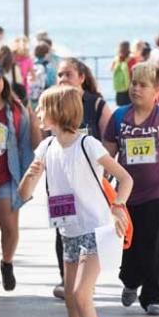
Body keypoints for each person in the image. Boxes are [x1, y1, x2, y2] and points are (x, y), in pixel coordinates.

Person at [19, 85, 133, 317]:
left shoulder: (89, 144)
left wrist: (118, 205)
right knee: (72, 299)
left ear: (57, 112)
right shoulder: (45, 148)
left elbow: (125, 178)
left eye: (42, 108)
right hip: (67, 230)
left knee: (82, 296)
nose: (38, 113)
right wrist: (30, 175)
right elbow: (24, 195)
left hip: (96, 230)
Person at [103, 62, 159, 314]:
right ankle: (130, 281)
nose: (136, 89)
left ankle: (154, 297)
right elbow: (106, 157)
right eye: (134, 83)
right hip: (126, 196)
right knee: (132, 247)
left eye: (143, 85)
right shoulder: (119, 117)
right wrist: (100, 190)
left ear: (156, 90)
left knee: (156, 247)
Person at [0, 60, 41, 298]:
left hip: (9, 174)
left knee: (9, 226)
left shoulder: (15, 108)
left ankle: (7, 262)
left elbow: (30, 142)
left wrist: (34, 120)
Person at [51, 58, 112, 300]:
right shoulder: (53, 102)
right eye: (59, 75)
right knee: (62, 230)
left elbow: (109, 138)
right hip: (61, 186)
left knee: (88, 229)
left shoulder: (95, 104)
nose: (63, 79)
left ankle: (86, 281)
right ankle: (67, 279)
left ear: (81, 77)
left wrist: (104, 172)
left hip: (88, 182)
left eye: (68, 74)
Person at [111, 40, 132, 106]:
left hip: (119, 89)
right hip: (129, 89)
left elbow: (111, 70)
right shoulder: (131, 60)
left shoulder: (116, 60)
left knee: (120, 109)